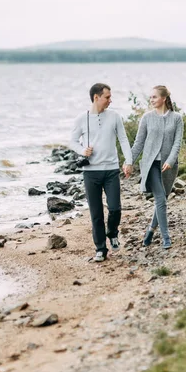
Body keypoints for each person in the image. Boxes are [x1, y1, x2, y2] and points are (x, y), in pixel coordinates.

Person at [70, 83, 133, 262]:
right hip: (91, 172)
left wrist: (128, 161)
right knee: (96, 213)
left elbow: (123, 139)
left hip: (111, 170)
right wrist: (83, 151)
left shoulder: (114, 117)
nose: (110, 100)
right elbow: (72, 141)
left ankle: (112, 232)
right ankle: (100, 249)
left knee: (115, 208)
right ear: (96, 97)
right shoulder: (81, 119)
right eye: (107, 97)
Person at [130, 85, 183, 249]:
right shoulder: (146, 118)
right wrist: (128, 162)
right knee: (160, 198)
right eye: (150, 97)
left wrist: (171, 160)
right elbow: (138, 143)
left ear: (164, 98)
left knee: (163, 199)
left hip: (168, 166)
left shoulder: (177, 118)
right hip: (150, 165)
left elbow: (177, 143)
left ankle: (151, 231)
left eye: (154, 97)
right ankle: (166, 237)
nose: (151, 100)